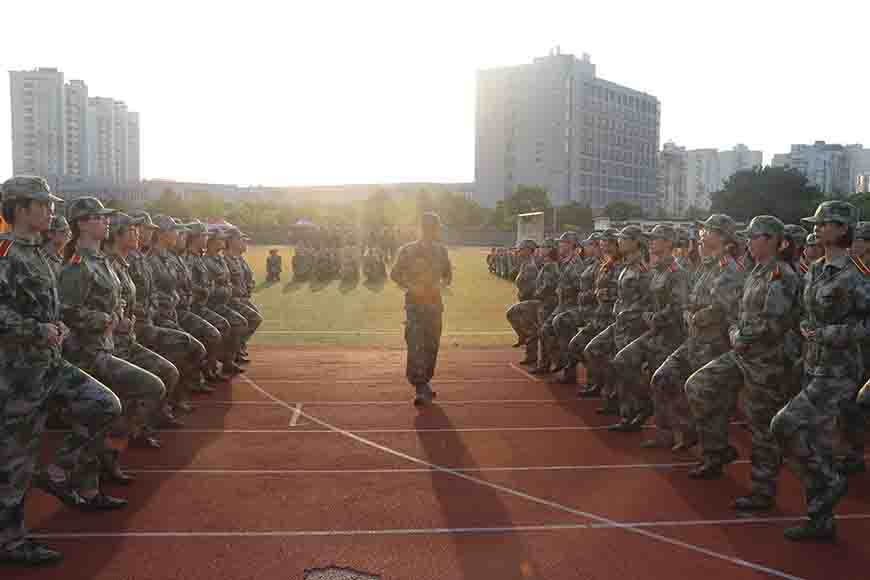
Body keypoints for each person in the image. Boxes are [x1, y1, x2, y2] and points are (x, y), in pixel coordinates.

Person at [0, 177, 123, 566]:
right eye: (43, 204)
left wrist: (57, 326)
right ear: (20, 208)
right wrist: (37, 329)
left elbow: (48, 306)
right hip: (17, 374)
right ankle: (11, 540)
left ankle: (56, 471)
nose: (51, 210)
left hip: (49, 364)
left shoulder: (36, 253)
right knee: (15, 460)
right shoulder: (6, 253)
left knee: (105, 404)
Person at [686, 215, 799, 511]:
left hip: (767, 361)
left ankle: (763, 490)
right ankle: (717, 451)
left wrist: (739, 334)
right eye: (747, 236)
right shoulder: (755, 272)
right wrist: (736, 330)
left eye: (754, 236)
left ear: (772, 240)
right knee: (698, 385)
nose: (747, 241)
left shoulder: (782, 275)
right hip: (742, 352)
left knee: (761, 426)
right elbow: (739, 310)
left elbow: (774, 325)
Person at [773, 201, 869, 540]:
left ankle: (830, 483)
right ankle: (820, 518)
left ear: (843, 229)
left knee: (783, 424)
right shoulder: (814, 269)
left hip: (839, 372)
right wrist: (806, 330)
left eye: (824, 223)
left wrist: (830, 334)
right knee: (818, 441)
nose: (816, 228)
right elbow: (806, 313)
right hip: (812, 365)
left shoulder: (858, 275)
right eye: (815, 223)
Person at [59, 197, 167, 490]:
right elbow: (66, 311)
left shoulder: (101, 261)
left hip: (106, 347)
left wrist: (117, 314)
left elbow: (113, 298)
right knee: (145, 389)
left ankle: (98, 469)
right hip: (87, 352)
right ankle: (70, 469)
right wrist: (106, 319)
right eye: (98, 217)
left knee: (104, 415)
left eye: (106, 217)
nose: (106, 221)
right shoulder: (77, 265)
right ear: (81, 223)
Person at [649, 215, 744, 452]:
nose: (702, 234)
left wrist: (697, 316)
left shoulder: (729, 270)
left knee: (707, 398)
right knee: (663, 378)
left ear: (723, 237)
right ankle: (682, 432)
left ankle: (715, 451)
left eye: (709, 231)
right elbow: (690, 299)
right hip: (694, 340)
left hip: (714, 344)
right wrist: (688, 312)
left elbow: (723, 308)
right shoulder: (706, 266)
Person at [390, 212, 452, 406]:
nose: (431, 230)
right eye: (427, 226)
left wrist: (441, 286)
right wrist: (410, 286)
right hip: (415, 305)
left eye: (434, 226)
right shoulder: (407, 251)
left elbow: (448, 276)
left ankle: (426, 380)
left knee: (432, 345)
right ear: (421, 228)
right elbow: (394, 274)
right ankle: (420, 386)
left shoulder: (441, 251)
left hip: (434, 304)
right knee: (416, 343)